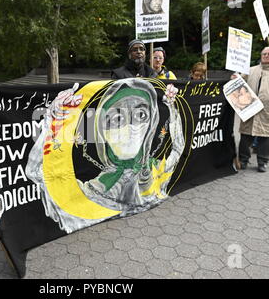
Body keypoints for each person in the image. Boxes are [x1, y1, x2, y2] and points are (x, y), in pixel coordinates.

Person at [27, 78, 184, 233]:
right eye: (117, 119)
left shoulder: (155, 169)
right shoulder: (93, 190)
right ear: (103, 133)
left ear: (151, 124)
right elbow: (37, 172)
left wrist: (172, 107)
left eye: (140, 116)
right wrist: (53, 124)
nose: (131, 128)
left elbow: (178, 149)